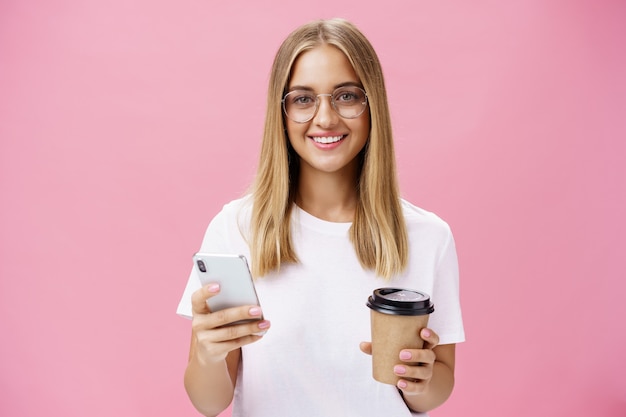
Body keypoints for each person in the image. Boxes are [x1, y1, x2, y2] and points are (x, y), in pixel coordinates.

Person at [177, 18, 464, 417]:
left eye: (346, 96)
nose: (325, 118)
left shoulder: (427, 236)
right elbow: (209, 403)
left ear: (372, 104)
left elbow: (436, 390)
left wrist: (421, 378)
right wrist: (208, 354)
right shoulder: (237, 229)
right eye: (303, 99)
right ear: (282, 111)